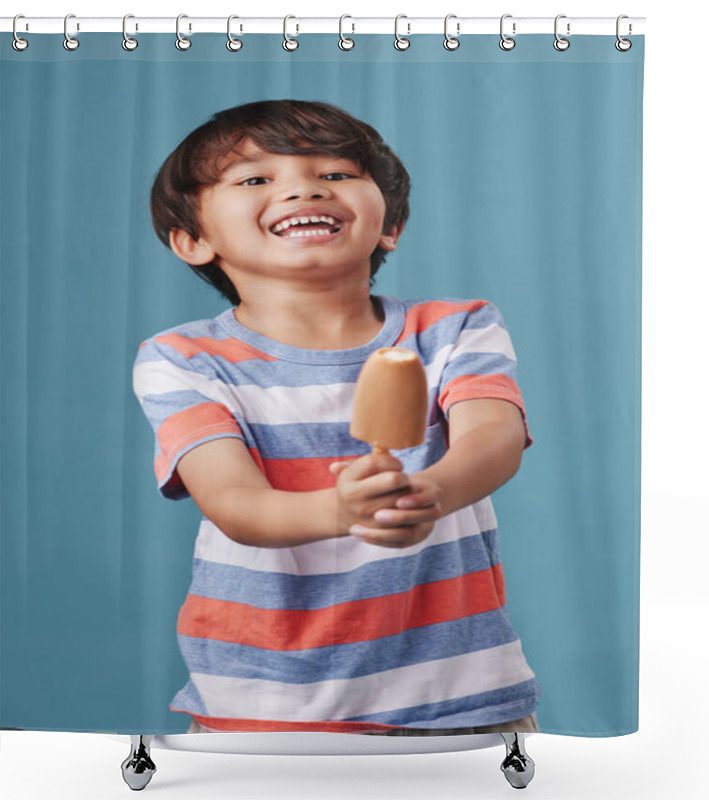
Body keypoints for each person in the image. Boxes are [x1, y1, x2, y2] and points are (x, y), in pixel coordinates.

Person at [133, 100, 541, 735]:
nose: (304, 186)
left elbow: (496, 435)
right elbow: (233, 502)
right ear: (194, 240)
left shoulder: (455, 328)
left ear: (390, 227)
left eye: (338, 173)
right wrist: (341, 511)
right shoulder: (184, 360)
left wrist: (429, 492)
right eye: (255, 179)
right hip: (265, 703)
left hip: (461, 693)